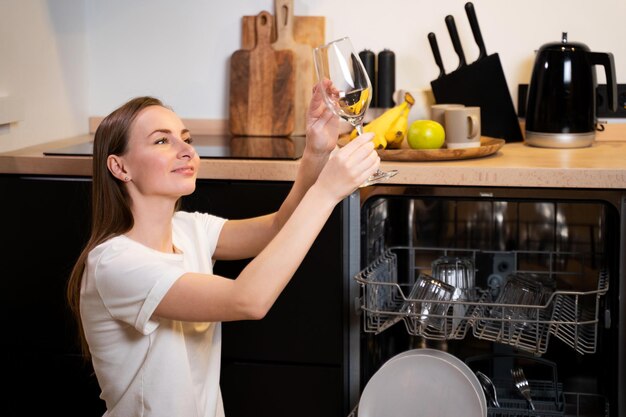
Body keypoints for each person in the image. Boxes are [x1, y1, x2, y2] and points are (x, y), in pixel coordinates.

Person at [66, 80, 380, 417]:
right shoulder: (115, 263)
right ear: (120, 167)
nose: (186, 151)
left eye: (187, 139)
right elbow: (247, 299)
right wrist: (327, 192)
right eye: (162, 141)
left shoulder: (188, 228)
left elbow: (279, 227)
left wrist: (316, 152)